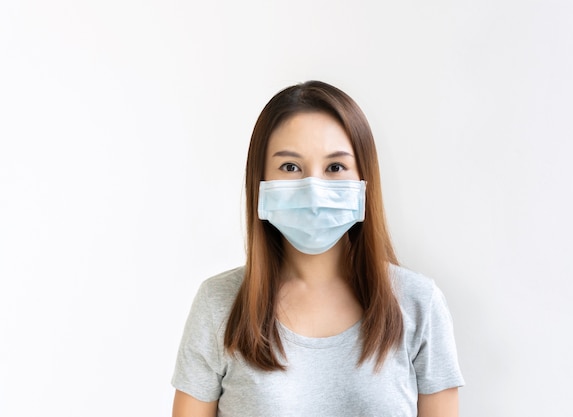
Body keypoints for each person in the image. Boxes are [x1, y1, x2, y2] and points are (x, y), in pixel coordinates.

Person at [171, 81, 464, 417]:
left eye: (335, 168)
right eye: (290, 167)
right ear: (260, 181)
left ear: (363, 179)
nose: (314, 188)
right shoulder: (218, 304)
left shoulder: (418, 304)